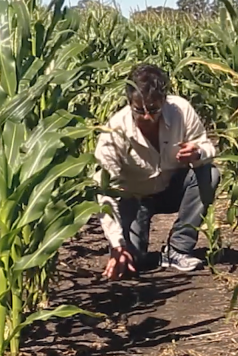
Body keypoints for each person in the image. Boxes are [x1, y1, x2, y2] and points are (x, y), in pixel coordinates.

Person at [93, 63, 221, 281]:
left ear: (164, 100)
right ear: (129, 102)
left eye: (153, 109)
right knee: (133, 261)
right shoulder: (115, 131)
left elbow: (208, 147)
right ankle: (137, 249)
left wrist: (197, 153)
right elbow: (104, 190)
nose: (147, 117)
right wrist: (116, 243)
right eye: (139, 110)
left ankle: (179, 249)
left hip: (171, 189)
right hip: (133, 197)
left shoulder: (181, 110)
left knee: (210, 174)